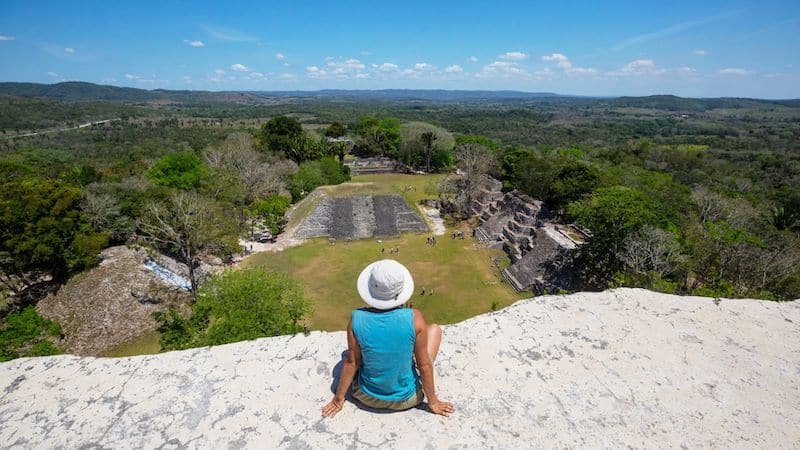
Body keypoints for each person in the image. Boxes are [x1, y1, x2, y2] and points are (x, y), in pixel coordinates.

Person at [321, 259, 455, 418]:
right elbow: (424, 365)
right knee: (434, 330)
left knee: (352, 354)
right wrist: (433, 402)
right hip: (407, 399)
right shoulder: (414, 317)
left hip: (366, 396)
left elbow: (352, 362)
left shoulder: (357, 319)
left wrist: (338, 398)